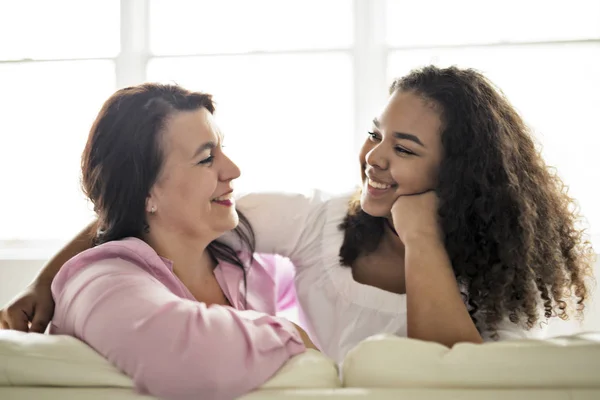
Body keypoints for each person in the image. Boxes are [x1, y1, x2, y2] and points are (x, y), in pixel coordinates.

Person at [2, 66, 595, 364]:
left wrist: (423, 242)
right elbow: (156, 208)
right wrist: (45, 282)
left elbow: (446, 378)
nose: (375, 159)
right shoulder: (320, 223)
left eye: (405, 149)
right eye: (375, 135)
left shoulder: (498, 280)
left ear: (460, 176)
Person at [4, 83, 316, 400]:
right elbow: (195, 364)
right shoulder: (101, 282)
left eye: (222, 149)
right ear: (146, 193)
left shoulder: (245, 265)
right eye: (207, 158)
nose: (233, 170)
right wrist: (289, 334)